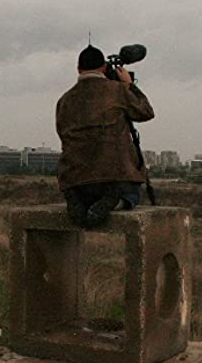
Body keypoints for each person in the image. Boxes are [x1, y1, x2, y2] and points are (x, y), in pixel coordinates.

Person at [56, 44, 155, 227]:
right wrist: (128, 84)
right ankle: (117, 201)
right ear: (103, 68)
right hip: (111, 178)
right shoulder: (118, 91)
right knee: (132, 192)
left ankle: (77, 201)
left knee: (83, 188)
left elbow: (62, 134)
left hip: (75, 180)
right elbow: (146, 112)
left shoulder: (64, 100)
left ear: (78, 69)